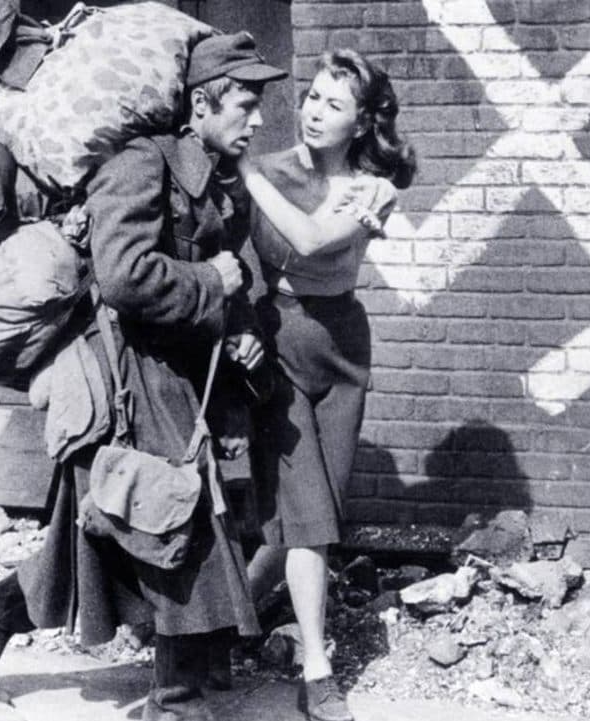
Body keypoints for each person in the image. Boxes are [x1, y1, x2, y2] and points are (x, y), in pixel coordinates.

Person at [0, 32, 287, 721]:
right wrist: (210, 285)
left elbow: (227, 274)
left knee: (106, 543)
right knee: (175, 523)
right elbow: (125, 276)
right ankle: (176, 701)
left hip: (182, 375)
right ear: (202, 103)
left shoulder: (219, 182)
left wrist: (241, 328)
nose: (259, 119)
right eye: (245, 104)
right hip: (128, 374)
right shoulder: (141, 164)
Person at [239, 49, 415, 721]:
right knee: (307, 519)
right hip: (278, 340)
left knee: (311, 520)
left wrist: (247, 173)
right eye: (312, 96)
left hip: (342, 349)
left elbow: (311, 240)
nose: (313, 111)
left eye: (333, 104)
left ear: (361, 122)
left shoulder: (373, 188)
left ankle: (231, 620)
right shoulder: (270, 168)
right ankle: (317, 672)